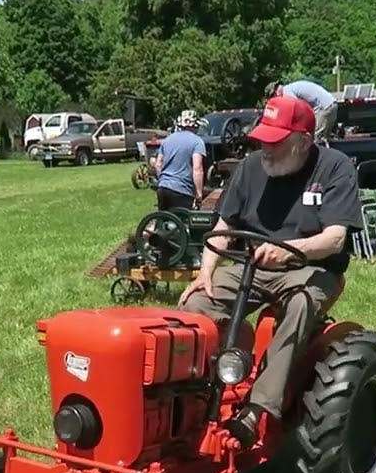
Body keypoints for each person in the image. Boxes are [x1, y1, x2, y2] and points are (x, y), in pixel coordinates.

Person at [179, 95, 362, 444]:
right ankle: (201, 393)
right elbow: (224, 225)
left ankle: (257, 410)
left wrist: (289, 249)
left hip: (310, 268)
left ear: (303, 142)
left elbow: (335, 239)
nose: (266, 149)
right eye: (263, 139)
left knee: (300, 306)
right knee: (194, 305)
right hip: (252, 264)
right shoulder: (250, 168)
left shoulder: (334, 168)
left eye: (276, 142)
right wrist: (205, 273)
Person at [151, 110, 206, 210]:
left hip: (163, 188)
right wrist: (199, 193)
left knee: (165, 217)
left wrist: (163, 180)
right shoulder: (197, 142)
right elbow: (197, 169)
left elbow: (158, 165)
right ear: (195, 126)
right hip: (182, 190)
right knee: (182, 218)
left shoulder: (167, 140)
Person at [266, 79, 337, 142]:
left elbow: (298, 109)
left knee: (314, 138)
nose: (276, 95)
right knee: (324, 138)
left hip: (324, 107)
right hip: (331, 104)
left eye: (274, 94)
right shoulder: (290, 88)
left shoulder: (286, 93)